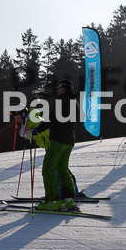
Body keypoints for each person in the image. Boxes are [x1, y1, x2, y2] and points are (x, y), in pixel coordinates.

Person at [11, 107, 85, 198]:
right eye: (16, 119)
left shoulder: (32, 119)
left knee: (53, 170)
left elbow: (41, 124)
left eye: (18, 117)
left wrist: (35, 131)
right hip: (51, 145)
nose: (17, 120)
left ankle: (61, 194)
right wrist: (30, 133)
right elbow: (23, 133)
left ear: (23, 114)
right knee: (60, 169)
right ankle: (72, 192)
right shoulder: (27, 123)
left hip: (55, 144)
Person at [35, 79, 79, 211]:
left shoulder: (62, 100)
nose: (57, 89)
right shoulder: (74, 102)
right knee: (62, 170)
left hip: (58, 140)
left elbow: (51, 120)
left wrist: (36, 130)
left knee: (48, 170)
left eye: (59, 87)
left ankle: (52, 200)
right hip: (69, 141)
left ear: (65, 88)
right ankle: (68, 200)